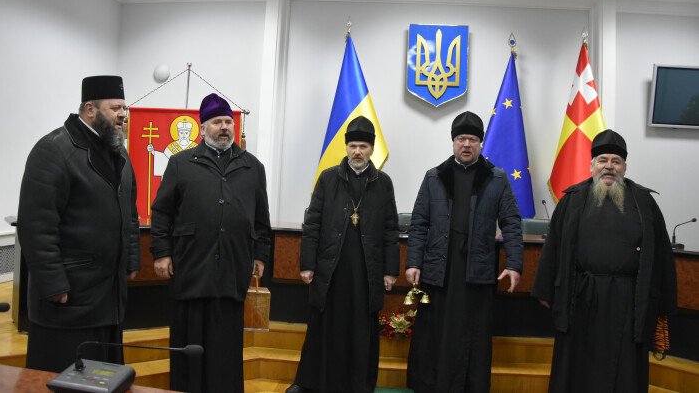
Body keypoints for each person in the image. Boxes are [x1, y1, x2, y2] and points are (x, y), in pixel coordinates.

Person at [532, 129, 677, 393]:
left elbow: (662, 254)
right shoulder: (572, 199)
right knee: (577, 369)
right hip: (580, 298)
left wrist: (664, 303)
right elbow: (553, 247)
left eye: (616, 161)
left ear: (624, 167)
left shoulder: (644, 202)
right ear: (592, 166)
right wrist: (545, 290)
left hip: (628, 302)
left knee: (624, 373)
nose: (609, 166)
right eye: (603, 160)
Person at [17, 75, 140, 372]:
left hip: (108, 300)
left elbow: (130, 213)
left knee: (106, 379)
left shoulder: (119, 152)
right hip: (69, 301)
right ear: (90, 109)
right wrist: (53, 285)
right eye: (115, 108)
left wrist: (132, 259)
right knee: (66, 379)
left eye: (124, 108)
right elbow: (36, 226)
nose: (123, 114)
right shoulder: (54, 150)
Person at [150, 93, 271, 393]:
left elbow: (261, 219)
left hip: (232, 269)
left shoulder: (252, 167)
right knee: (189, 346)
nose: (224, 127)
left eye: (228, 121)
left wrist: (260, 255)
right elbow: (162, 212)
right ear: (203, 128)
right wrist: (162, 252)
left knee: (226, 348)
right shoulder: (181, 163)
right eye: (217, 122)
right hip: (191, 268)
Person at [405, 111, 523, 393]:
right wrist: (413, 262)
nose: (466, 144)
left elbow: (511, 223)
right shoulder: (434, 176)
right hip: (440, 269)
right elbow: (419, 223)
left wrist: (514, 263)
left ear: (481, 143)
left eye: (472, 139)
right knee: (437, 333)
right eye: (461, 139)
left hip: (477, 271)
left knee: (474, 335)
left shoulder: (496, 178)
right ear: (453, 142)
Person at [287, 116, 400, 393]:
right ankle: (314, 383)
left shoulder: (383, 182)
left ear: (372, 149)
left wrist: (390, 270)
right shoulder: (328, 178)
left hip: (366, 271)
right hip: (332, 269)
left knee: (361, 330)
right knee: (326, 327)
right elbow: (312, 223)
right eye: (353, 146)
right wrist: (307, 264)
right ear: (346, 148)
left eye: (363, 146)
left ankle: (358, 385)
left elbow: (390, 229)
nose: (357, 151)